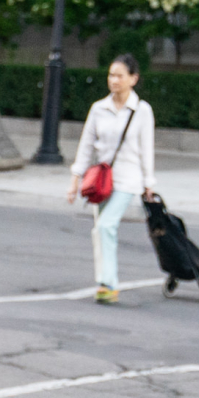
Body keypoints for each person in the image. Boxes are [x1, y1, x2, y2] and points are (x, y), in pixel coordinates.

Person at [64, 55, 158, 305]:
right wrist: (75, 179)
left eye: (119, 75)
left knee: (106, 226)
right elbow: (86, 146)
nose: (113, 80)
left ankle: (108, 283)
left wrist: (149, 182)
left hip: (128, 179)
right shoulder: (98, 109)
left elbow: (146, 148)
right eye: (111, 75)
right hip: (101, 180)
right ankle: (104, 282)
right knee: (100, 230)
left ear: (133, 79)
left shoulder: (142, 111)